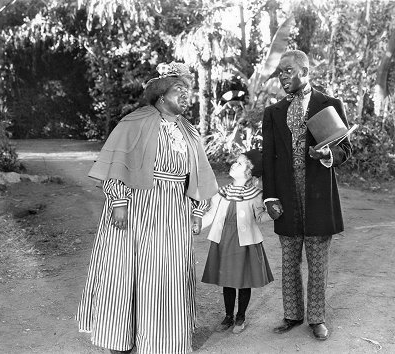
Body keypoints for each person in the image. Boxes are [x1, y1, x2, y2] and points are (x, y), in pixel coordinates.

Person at [76, 62, 218, 354]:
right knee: (130, 271)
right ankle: (121, 337)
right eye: (180, 90)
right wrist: (118, 202)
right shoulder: (135, 121)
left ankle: (162, 341)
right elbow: (118, 165)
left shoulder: (189, 132)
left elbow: (199, 174)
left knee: (169, 273)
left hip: (174, 211)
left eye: (188, 90)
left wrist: (198, 209)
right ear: (161, 95)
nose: (186, 95)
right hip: (139, 207)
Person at [261, 50, 352, 341]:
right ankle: (292, 314)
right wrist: (270, 197)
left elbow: (345, 151)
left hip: (317, 194)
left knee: (316, 258)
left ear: (305, 70)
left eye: (288, 71)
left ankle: (316, 318)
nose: (283, 77)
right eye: (279, 73)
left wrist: (328, 153)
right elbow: (270, 158)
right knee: (289, 256)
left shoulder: (330, 104)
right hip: (286, 193)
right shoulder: (273, 112)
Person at [198, 150, 274, 335]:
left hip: (245, 242)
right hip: (224, 240)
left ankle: (241, 316)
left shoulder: (255, 194)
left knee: (244, 279)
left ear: (249, 173)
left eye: (239, 164)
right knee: (228, 280)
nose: (234, 164)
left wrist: (272, 214)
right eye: (235, 161)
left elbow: (260, 216)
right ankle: (228, 316)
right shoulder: (222, 192)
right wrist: (197, 224)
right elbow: (211, 214)